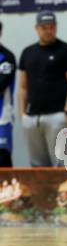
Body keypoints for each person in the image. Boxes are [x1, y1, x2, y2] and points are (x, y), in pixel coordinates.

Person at [18, 10, 67, 167]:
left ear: (56, 27)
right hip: (32, 118)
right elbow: (22, 86)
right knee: (37, 164)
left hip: (57, 116)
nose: (48, 30)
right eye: (44, 27)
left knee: (61, 162)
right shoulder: (27, 52)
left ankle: (63, 192)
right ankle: (42, 192)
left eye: (51, 27)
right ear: (37, 28)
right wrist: (22, 114)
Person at [0, 21, 16, 167]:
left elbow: (1, 84)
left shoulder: (6, 57)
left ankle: (5, 190)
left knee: (2, 159)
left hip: (2, 118)